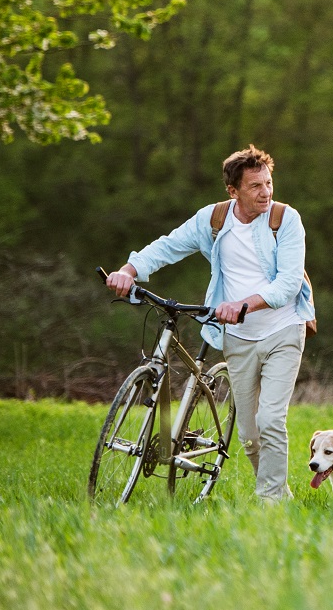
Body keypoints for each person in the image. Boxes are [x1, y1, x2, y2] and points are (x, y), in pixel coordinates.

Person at [106, 145, 314, 502]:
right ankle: (279, 492)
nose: (265, 192)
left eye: (268, 183)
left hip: (283, 328)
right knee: (249, 432)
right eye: (255, 186)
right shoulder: (215, 220)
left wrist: (243, 304)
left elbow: (288, 283)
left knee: (270, 421)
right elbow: (168, 246)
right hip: (237, 336)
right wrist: (129, 270)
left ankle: (271, 503)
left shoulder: (285, 219)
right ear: (233, 191)